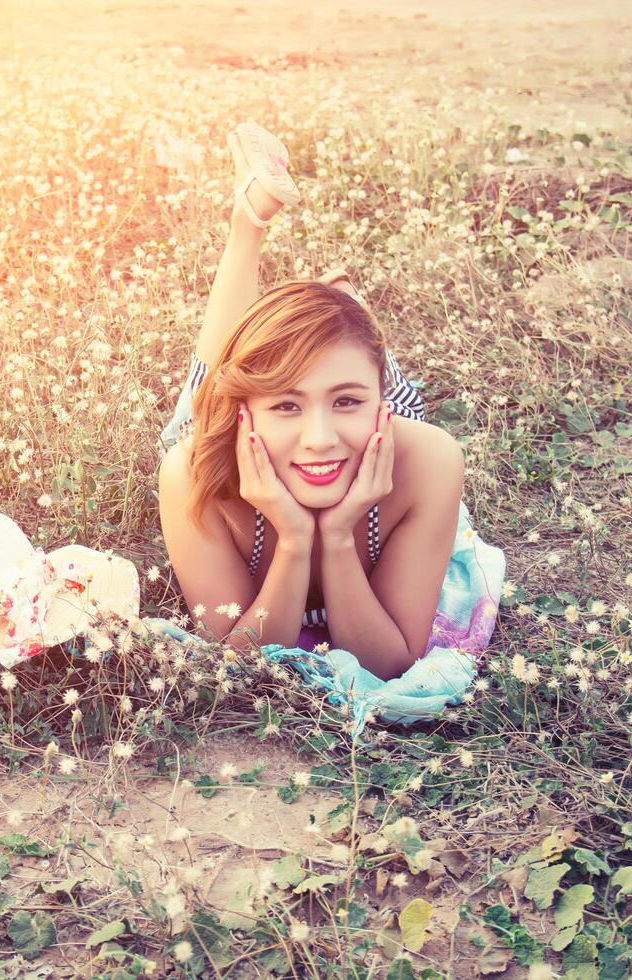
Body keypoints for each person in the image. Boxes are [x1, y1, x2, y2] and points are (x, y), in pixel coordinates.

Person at [157, 122, 468, 682]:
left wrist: (342, 535)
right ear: (246, 411)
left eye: (348, 401)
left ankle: (338, 310)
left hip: (375, 429)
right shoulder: (193, 470)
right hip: (227, 426)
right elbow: (239, 666)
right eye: (286, 406)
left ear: (382, 398)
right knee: (220, 371)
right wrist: (295, 541)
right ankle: (249, 221)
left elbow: (391, 664)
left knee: (337, 357)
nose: (319, 437)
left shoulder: (427, 457)